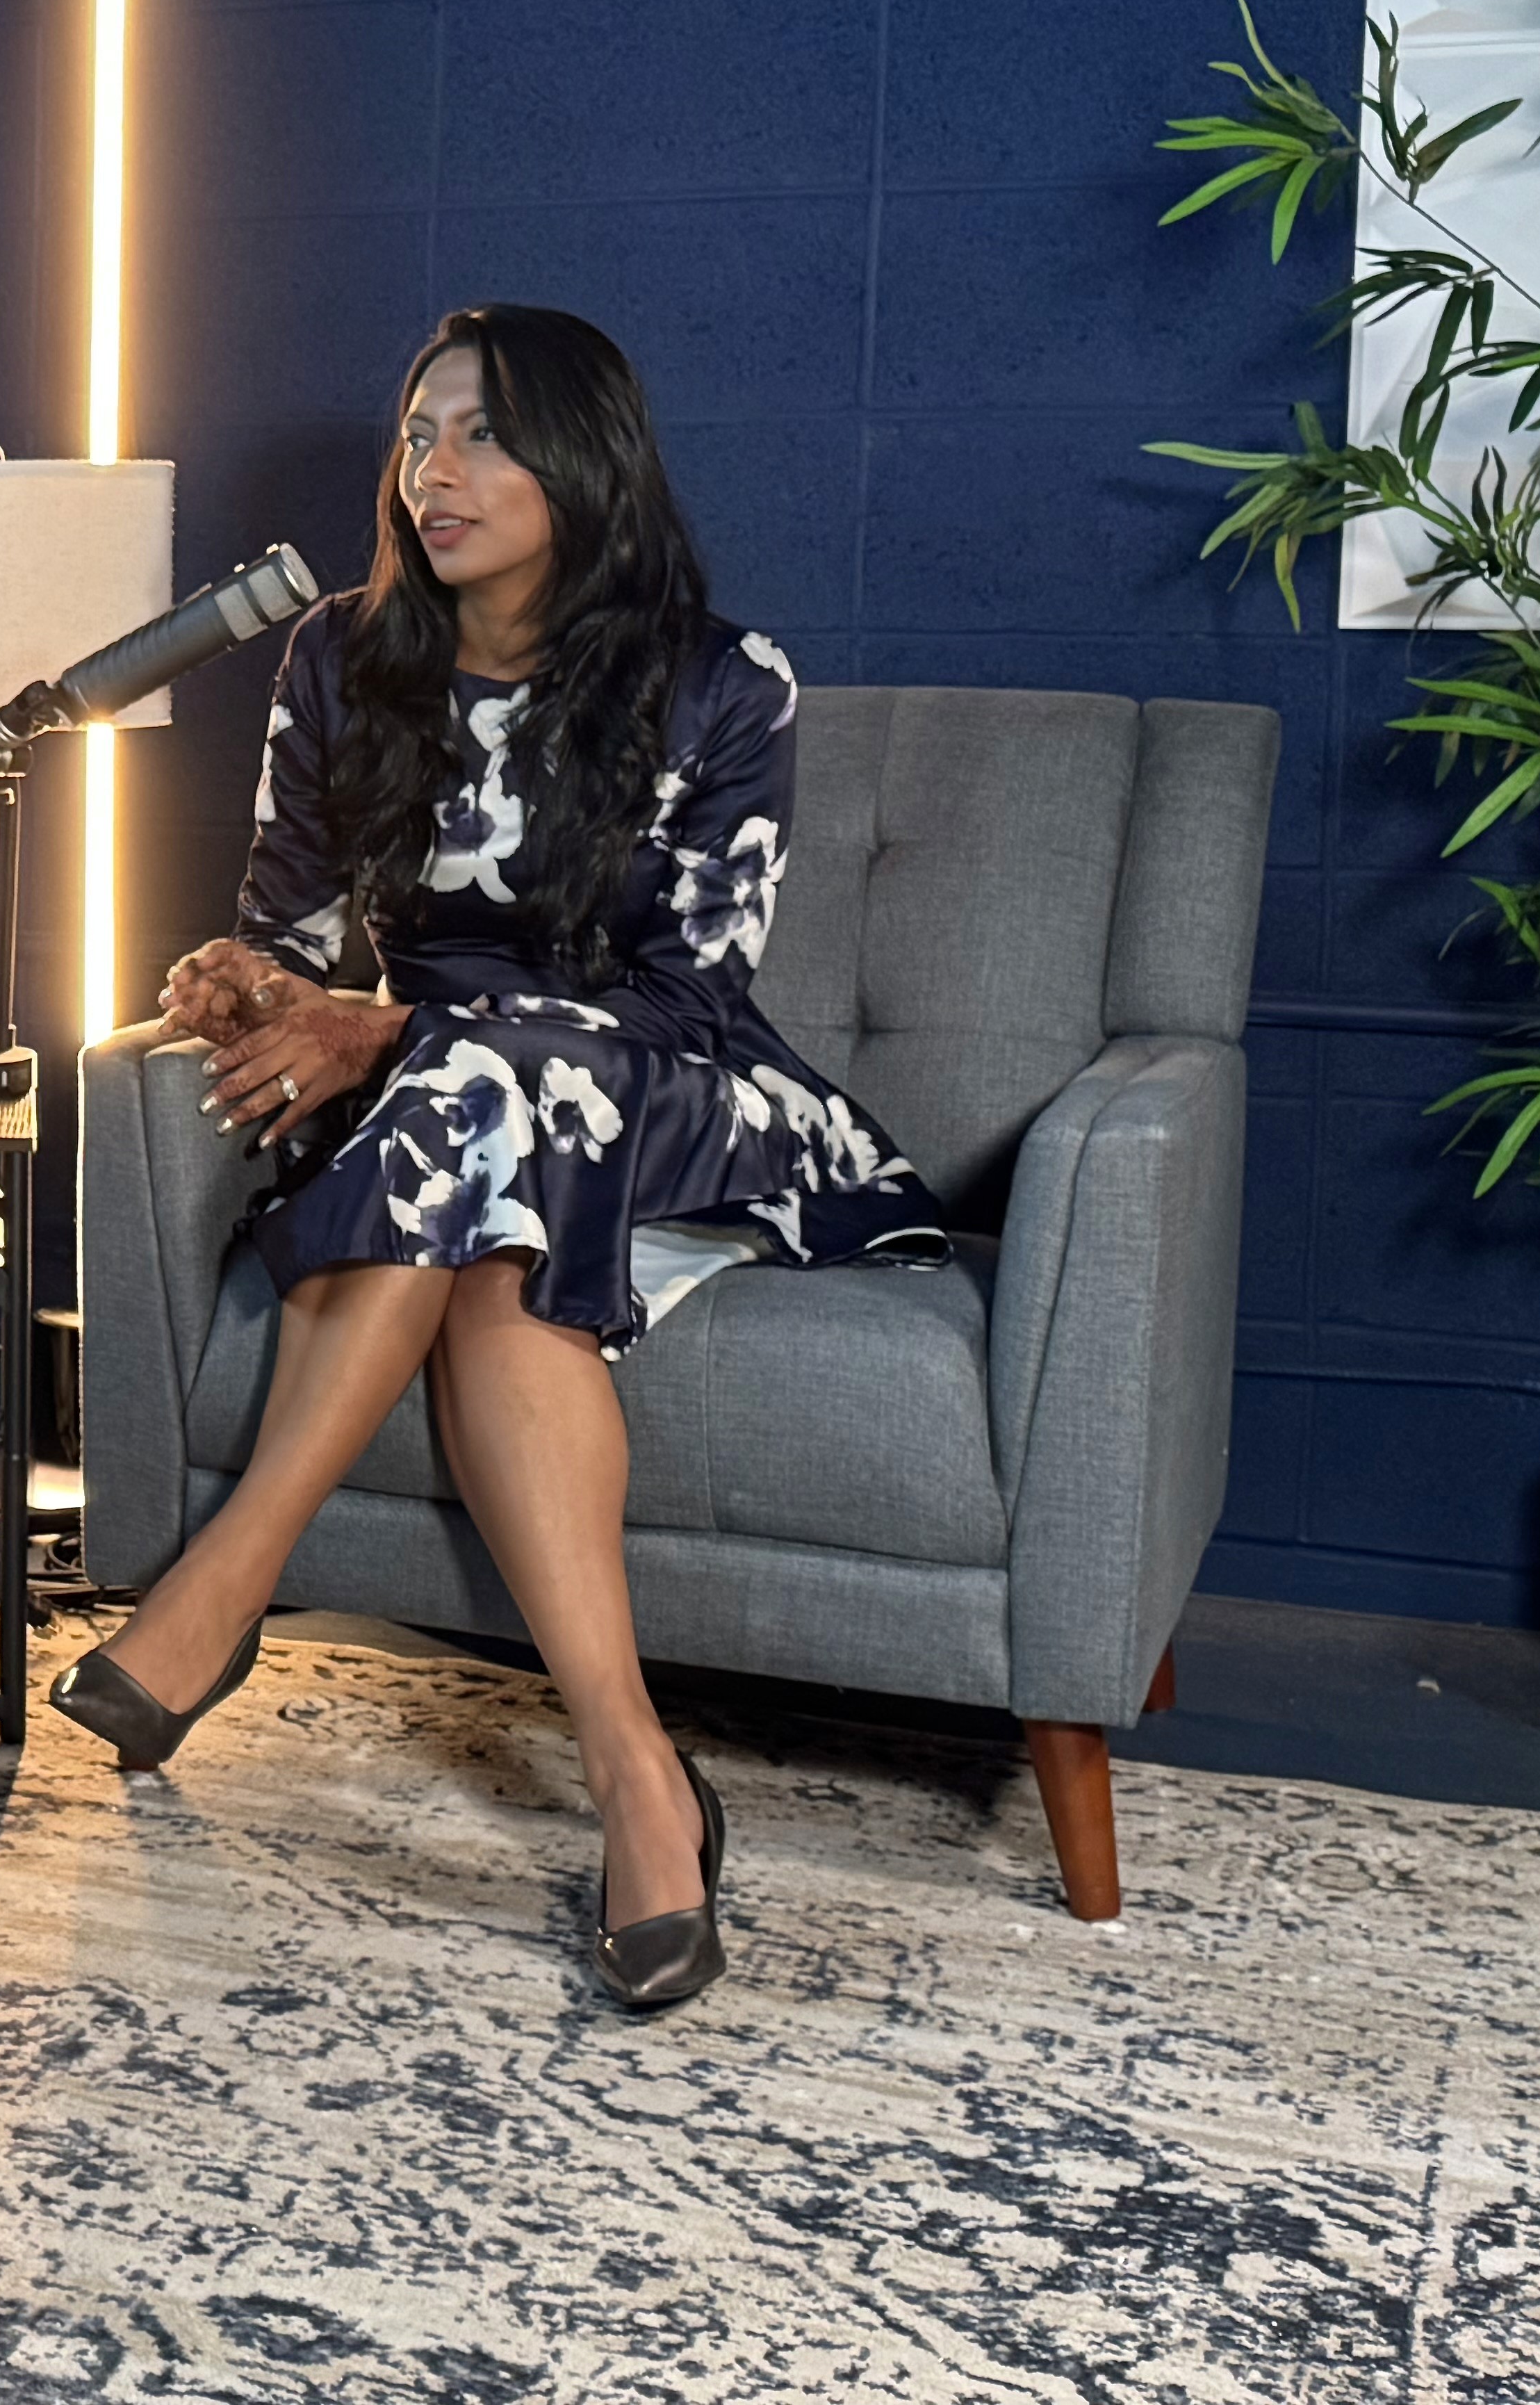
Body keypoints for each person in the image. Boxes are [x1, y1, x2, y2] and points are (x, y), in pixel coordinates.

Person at [51, 304, 943, 2009]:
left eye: (477, 435)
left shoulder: (721, 683)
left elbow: (687, 993)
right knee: (495, 1270)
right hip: (459, 1129)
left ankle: (225, 1581)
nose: (431, 472)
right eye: (415, 436)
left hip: (687, 1095)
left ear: (582, 458)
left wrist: (386, 1032)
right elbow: (292, 932)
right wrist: (245, 984)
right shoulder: (338, 655)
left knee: (476, 1095)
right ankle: (636, 1774)